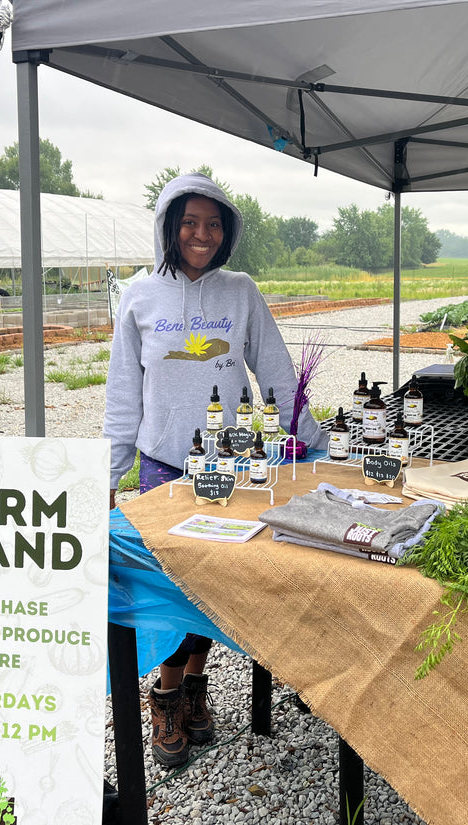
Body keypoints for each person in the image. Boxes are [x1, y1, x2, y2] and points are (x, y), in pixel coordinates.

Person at [103, 172, 327, 766]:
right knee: (169, 580)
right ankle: (166, 696)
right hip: (162, 466)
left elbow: (276, 370)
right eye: (189, 222)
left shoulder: (240, 292)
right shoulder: (139, 295)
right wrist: (106, 472)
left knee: (212, 582)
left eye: (213, 223)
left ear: (226, 232)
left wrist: (316, 446)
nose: (201, 234)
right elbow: (124, 391)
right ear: (169, 228)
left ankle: (197, 688)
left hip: (226, 467)